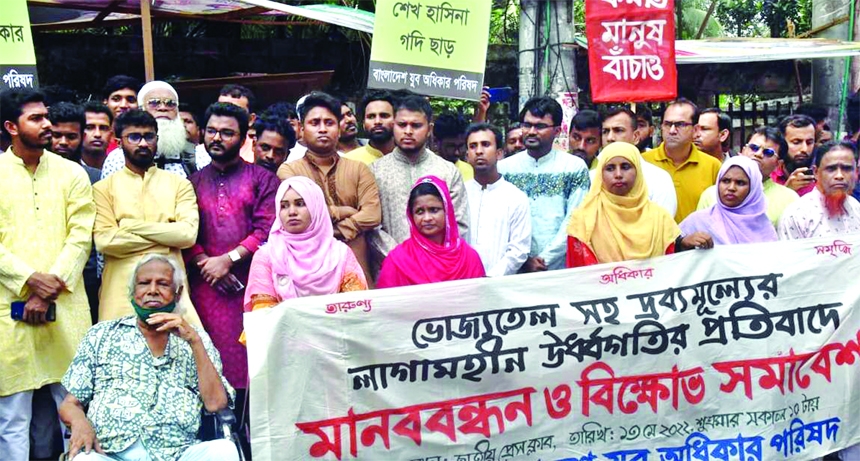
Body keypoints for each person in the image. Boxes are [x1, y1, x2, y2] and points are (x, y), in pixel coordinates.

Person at [59, 254, 237, 461]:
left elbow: (216, 404)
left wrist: (194, 342)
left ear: (178, 293)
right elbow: (69, 404)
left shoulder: (197, 339)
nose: (152, 290)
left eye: (162, 284)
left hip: (177, 453)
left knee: (224, 451)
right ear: (133, 292)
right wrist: (80, 423)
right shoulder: (101, 335)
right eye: (144, 283)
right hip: (111, 454)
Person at [0, 88, 95, 461]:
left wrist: (47, 287)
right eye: (36, 118)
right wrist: (27, 280)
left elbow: (80, 235)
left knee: (74, 409)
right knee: (12, 418)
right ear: (11, 126)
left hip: (65, 305)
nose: (47, 125)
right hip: (9, 309)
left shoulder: (71, 174)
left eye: (47, 116)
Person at [185, 102, 280, 415]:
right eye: (211, 131)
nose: (217, 138)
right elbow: (185, 232)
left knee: (251, 368)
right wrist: (207, 263)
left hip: (251, 287)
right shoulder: (192, 183)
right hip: (205, 291)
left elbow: (267, 228)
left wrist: (229, 259)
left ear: (243, 140)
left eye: (227, 133)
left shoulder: (263, 180)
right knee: (207, 362)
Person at [93, 109, 201, 325]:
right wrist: (165, 241)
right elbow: (105, 242)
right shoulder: (103, 189)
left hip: (170, 286)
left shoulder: (179, 184)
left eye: (149, 136)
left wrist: (129, 225)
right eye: (134, 137)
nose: (143, 143)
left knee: (183, 350)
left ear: (156, 139)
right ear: (119, 142)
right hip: (119, 292)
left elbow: (187, 235)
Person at [277, 92, 381, 284]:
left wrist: (332, 228)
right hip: (309, 270)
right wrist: (346, 211)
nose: (322, 129)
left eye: (329, 123)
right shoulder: (289, 170)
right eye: (315, 123)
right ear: (301, 129)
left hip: (356, 265)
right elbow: (303, 215)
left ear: (339, 129)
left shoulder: (359, 169)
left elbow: (372, 214)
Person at [244, 176, 367, 312]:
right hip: (284, 331)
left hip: (335, 330)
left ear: (316, 207)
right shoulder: (266, 256)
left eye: (300, 204)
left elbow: (357, 307)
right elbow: (263, 312)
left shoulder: (341, 253)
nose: (292, 212)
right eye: (284, 206)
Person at [370, 92, 469, 257]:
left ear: (429, 129)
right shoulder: (374, 171)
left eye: (416, 126)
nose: (408, 131)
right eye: (402, 125)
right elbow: (372, 227)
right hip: (392, 269)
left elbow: (458, 223)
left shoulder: (448, 171)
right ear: (393, 125)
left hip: (439, 268)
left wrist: (430, 257)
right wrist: (401, 259)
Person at [498, 96, 590, 272]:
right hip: (513, 268)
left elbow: (574, 220)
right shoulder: (504, 169)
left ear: (557, 131)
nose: (531, 131)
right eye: (526, 125)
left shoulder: (574, 168)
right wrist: (522, 260)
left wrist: (543, 260)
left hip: (560, 269)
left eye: (540, 126)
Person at [566, 142, 681, 267]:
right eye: (610, 168)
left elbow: (669, 269)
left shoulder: (660, 217)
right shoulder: (585, 219)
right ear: (600, 174)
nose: (618, 174)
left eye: (625, 167)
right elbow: (577, 275)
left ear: (638, 170)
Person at [377, 176, 485, 288]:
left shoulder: (468, 257)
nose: (427, 218)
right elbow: (388, 302)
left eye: (434, 210)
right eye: (419, 211)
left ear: (447, 210)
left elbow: (480, 299)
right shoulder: (398, 260)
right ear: (411, 215)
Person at [103, 81, 210, 179]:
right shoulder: (117, 158)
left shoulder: (199, 156)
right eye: (154, 102)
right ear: (140, 109)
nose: (163, 108)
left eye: (170, 103)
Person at [464, 123, 531, 276]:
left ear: (499, 153)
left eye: (485, 145)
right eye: (473, 146)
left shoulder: (516, 197)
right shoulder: (459, 194)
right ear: (467, 156)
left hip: (501, 287)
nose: (479, 151)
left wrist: (490, 278)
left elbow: (519, 250)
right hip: (461, 283)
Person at [696, 127, 799, 227]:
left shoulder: (790, 199)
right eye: (754, 148)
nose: (758, 154)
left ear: (778, 164)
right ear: (743, 150)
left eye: (768, 152)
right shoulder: (712, 195)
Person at [643, 98, 722, 222]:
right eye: (668, 124)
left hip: (697, 239)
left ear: (695, 130)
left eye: (680, 124)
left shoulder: (712, 166)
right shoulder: (643, 162)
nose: (672, 130)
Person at [680, 156, 777, 245]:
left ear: (753, 189)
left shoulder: (763, 227)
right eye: (726, 181)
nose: (731, 188)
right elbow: (669, 250)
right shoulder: (699, 221)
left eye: (740, 183)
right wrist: (683, 243)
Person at [600, 106, 677, 217]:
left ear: (636, 137)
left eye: (618, 130)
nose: (610, 138)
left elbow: (662, 226)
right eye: (605, 131)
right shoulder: (591, 176)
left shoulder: (658, 179)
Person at [778, 141, 860, 239]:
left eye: (847, 169)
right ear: (816, 172)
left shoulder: (856, 209)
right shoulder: (797, 214)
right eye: (831, 169)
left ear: (856, 172)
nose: (839, 176)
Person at [48, 102, 100, 183]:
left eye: (71, 137)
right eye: (56, 135)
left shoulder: (96, 179)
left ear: (83, 137)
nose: (63, 142)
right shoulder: (29, 176)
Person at [344, 89, 397, 165]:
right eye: (371, 117)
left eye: (384, 116)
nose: (377, 121)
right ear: (363, 124)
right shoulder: (348, 162)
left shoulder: (412, 158)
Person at [771, 114, 817, 196]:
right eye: (796, 142)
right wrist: (788, 191)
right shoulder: (768, 176)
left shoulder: (822, 179)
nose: (804, 149)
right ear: (782, 143)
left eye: (809, 142)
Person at [216, 84, 257, 163]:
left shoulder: (258, 152)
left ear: (251, 119)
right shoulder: (199, 154)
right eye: (220, 110)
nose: (226, 118)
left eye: (235, 112)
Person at [432, 112, 475, 181]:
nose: (457, 153)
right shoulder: (424, 170)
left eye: (461, 146)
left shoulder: (471, 172)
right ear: (436, 141)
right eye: (451, 146)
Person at [81, 102, 114, 171]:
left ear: (111, 134)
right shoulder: (68, 169)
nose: (97, 134)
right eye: (89, 127)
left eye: (103, 128)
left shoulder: (119, 167)